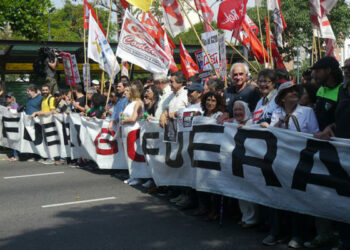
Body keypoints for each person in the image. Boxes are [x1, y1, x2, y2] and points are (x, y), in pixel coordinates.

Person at [263, 82, 319, 248]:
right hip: (280, 160)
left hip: (300, 160)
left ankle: (298, 234)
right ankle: (277, 231)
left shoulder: (307, 112)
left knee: (297, 196)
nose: (294, 93)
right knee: (278, 194)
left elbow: (314, 133)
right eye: (290, 92)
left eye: (296, 91)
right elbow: (271, 134)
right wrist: (279, 122)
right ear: (282, 98)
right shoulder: (277, 112)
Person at [305, 57, 343, 248]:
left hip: (338, 151)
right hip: (318, 148)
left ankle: (341, 236)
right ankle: (323, 234)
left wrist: (331, 127)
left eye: (318, 70)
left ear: (328, 70)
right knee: (318, 190)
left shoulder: (343, 90)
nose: (314, 74)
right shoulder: (319, 89)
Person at [120, 84, 144, 186]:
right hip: (126, 130)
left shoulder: (138, 103)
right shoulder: (129, 103)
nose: (125, 92)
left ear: (133, 92)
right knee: (128, 153)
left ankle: (138, 176)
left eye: (127, 91)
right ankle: (132, 175)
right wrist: (122, 117)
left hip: (133, 130)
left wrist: (124, 120)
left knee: (134, 153)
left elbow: (134, 118)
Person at [6, 92, 19, 161]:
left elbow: (16, 113)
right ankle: (14, 155)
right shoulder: (9, 104)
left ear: (12, 98)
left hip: (14, 125)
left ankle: (16, 156)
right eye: (7, 98)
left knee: (14, 141)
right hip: (10, 126)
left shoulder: (15, 104)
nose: (7, 99)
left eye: (9, 97)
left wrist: (9, 109)